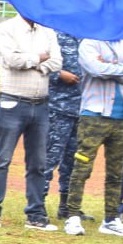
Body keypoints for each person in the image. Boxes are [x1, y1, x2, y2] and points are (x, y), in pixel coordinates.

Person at [0, 15, 60, 230]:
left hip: (41, 104)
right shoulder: (7, 28)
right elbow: (11, 60)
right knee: (2, 159)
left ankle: (35, 215)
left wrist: (31, 60)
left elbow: (57, 62)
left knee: (38, 163)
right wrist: (39, 58)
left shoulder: (48, 30)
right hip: (12, 102)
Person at [62, 38, 123, 237]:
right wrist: (116, 68)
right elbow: (95, 69)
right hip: (93, 115)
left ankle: (111, 219)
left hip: (121, 118)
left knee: (116, 173)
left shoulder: (122, 43)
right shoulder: (88, 43)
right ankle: (72, 216)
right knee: (82, 167)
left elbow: (101, 69)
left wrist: (109, 67)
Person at [44, 32, 83, 220]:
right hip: (58, 108)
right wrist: (59, 74)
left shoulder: (92, 36)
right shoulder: (54, 35)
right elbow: (39, 65)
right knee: (50, 158)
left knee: (74, 162)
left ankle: (67, 207)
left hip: (84, 110)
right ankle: (37, 205)